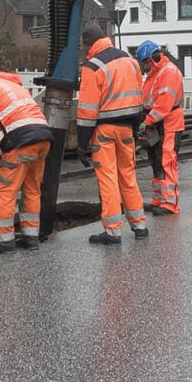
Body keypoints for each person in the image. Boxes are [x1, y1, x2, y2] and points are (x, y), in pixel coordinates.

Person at [0, 61, 53, 254]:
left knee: (7, 190)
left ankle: (4, 241)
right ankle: (31, 238)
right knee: (32, 189)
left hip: (21, 141)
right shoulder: (13, 85)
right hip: (43, 138)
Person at [76, 24, 148, 245]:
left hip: (104, 130)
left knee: (108, 179)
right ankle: (140, 225)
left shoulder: (92, 67)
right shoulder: (130, 61)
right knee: (128, 176)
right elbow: (139, 99)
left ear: (87, 44)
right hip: (128, 128)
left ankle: (112, 231)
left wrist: (82, 143)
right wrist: (135, 128)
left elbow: (87, 110)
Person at [136, 40, 185, 215]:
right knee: (156, 161)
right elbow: (148, 99)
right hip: (158, 122)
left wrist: (147, 121)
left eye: (145, 63)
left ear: (151, 59)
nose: (144, 67)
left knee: (167, 161)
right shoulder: (155, 73)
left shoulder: (169, 72)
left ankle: (170, 204)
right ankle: (159, 199)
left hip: (169, 122)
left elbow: (164, 104)